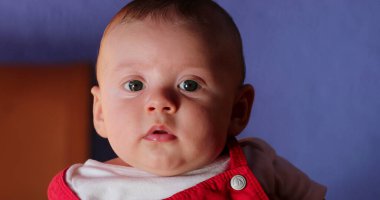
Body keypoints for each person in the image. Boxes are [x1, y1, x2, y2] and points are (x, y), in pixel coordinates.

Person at [48, 0, 327, 199]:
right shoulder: (85, 190)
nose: (159, 102)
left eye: (189, 85)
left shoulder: (260, 165)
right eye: (134, 85)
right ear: (101, 113)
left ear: (237, 110)